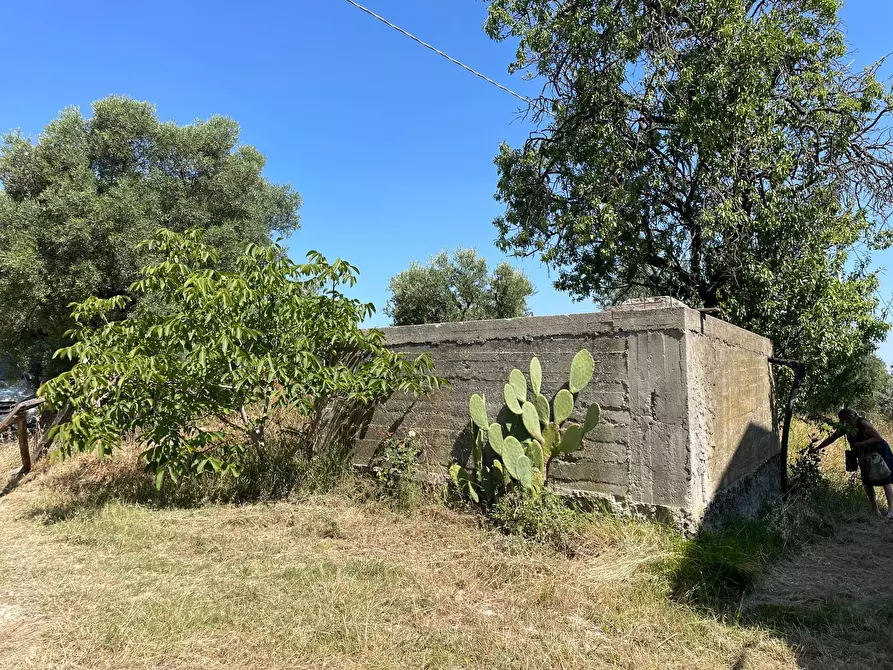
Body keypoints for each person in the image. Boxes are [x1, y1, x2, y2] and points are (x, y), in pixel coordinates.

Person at [815, 408, 893, 517]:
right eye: (841, 420)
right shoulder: (845, 428)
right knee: (866, 481)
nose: (843, 423)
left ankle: (891, 510)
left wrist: (862, 443)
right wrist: (817, 448)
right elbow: (832, 438)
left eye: (845, 419)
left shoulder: (863, 424)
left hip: (878, 451)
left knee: (885, 479)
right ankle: (875, 510)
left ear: (852, 417)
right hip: (864, 454)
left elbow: (878, 438)